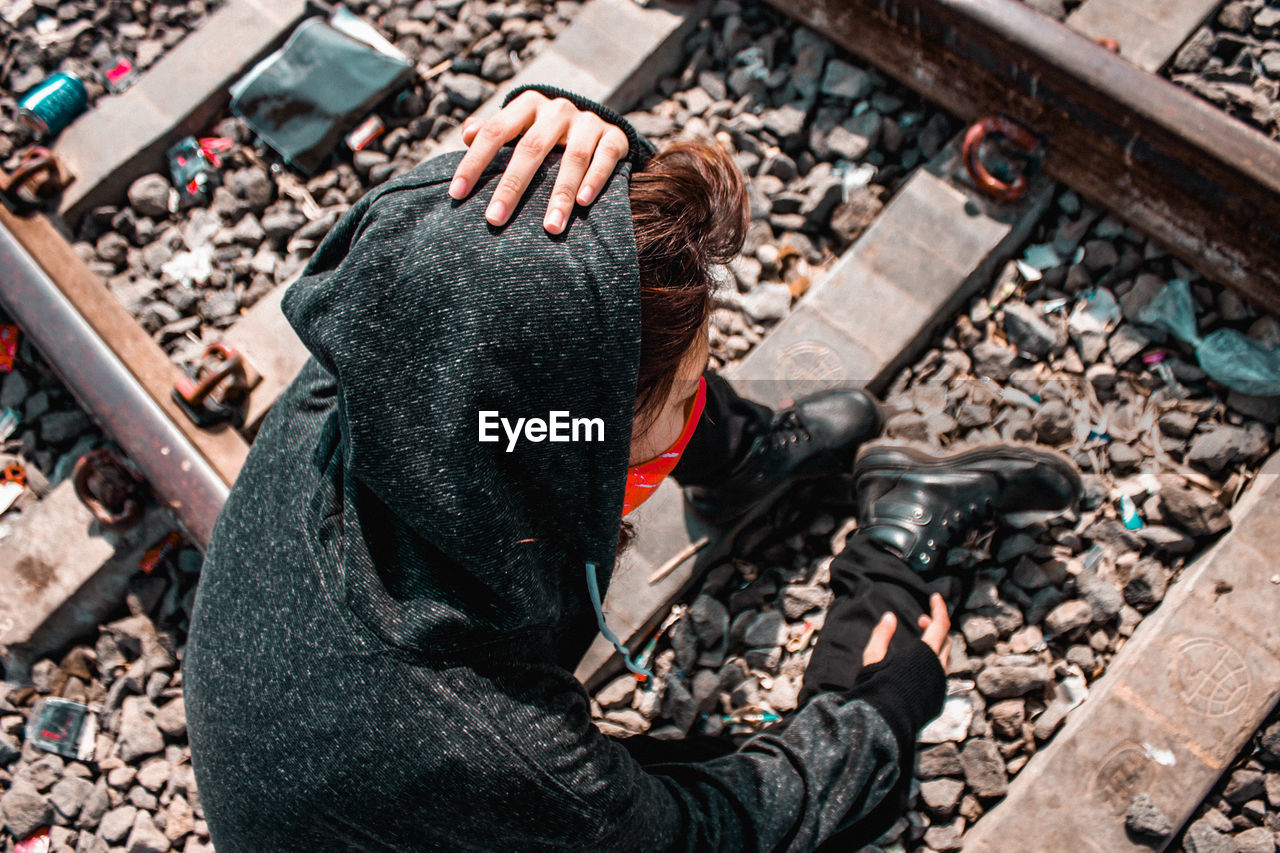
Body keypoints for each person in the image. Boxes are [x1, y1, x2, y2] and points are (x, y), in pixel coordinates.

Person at [185, 86, 1082, 851]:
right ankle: (895, 544)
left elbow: (504, 289)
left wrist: (584, 144)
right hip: (424, 806)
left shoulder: (380, 371)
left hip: (371, 764)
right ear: (569, 454)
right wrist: (881, 719)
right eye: (685, 407)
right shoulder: (497, 741)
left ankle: (742, 469)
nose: (696, 408)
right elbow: (708, 834)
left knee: (596, 354)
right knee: (769, 779)